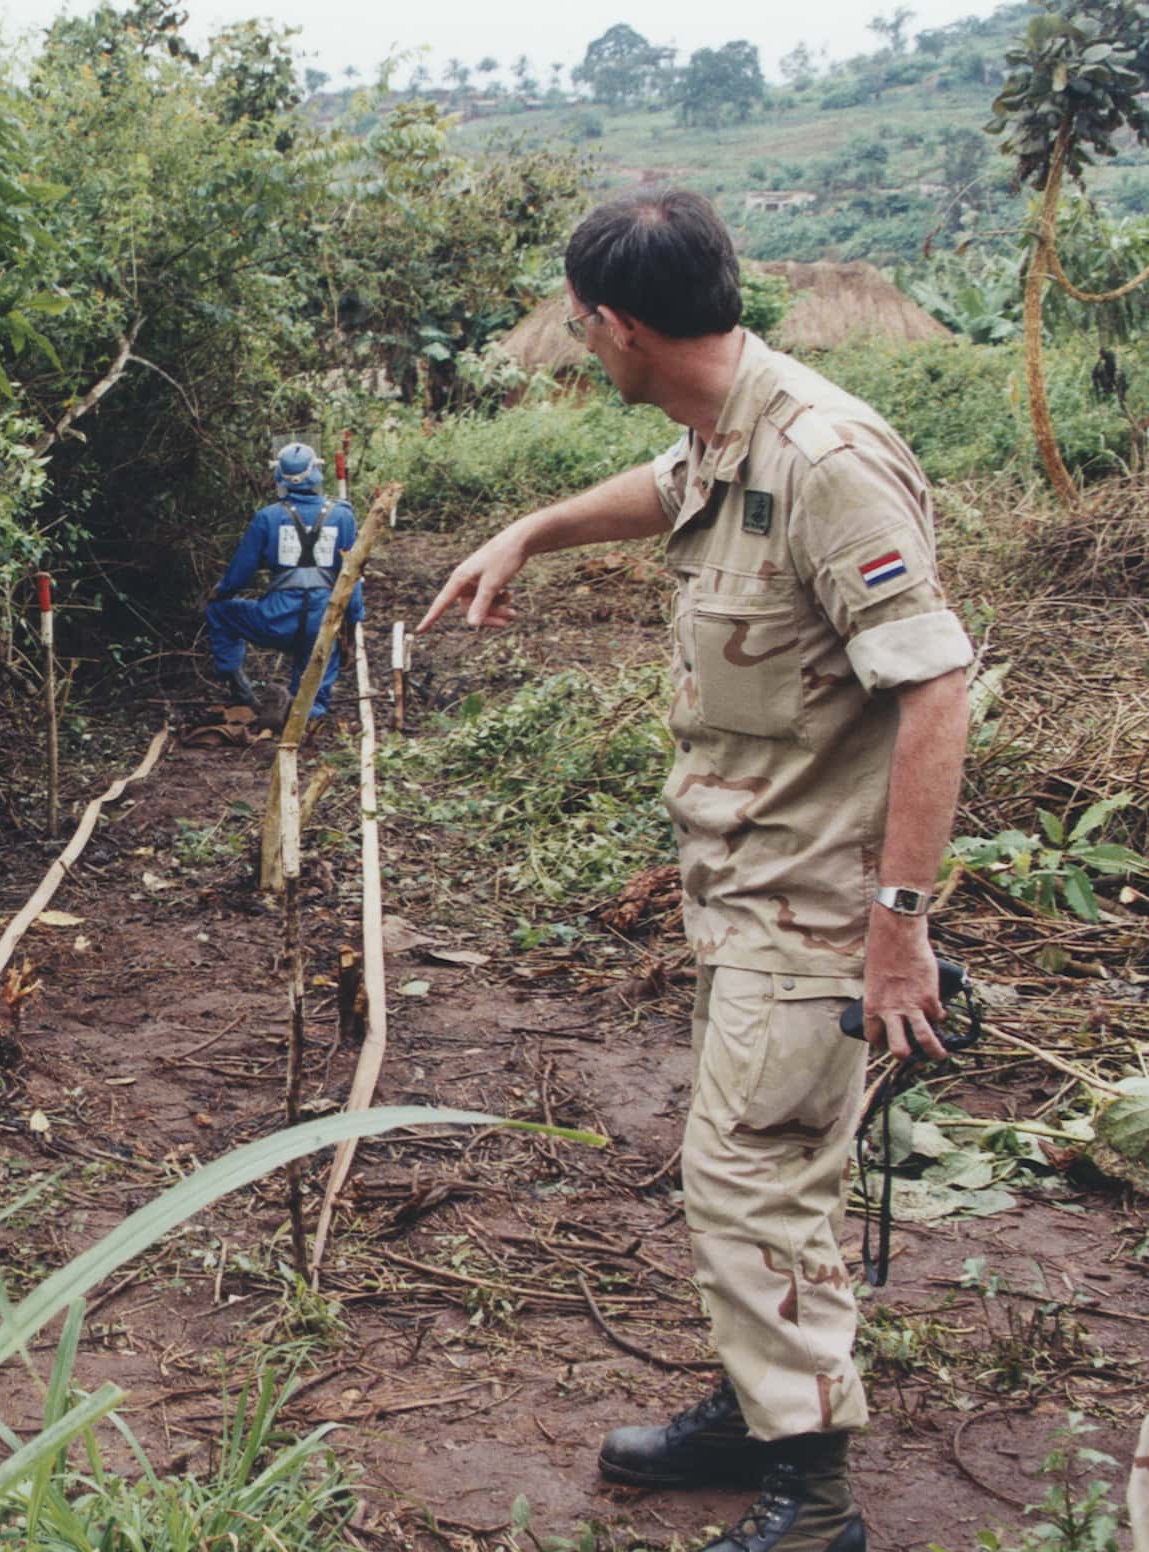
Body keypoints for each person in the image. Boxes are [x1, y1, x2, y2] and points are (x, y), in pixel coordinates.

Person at [421, 191, 974, 1552]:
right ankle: (752, 1404)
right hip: (741, 893)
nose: (578, 349)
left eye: (577, 328)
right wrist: (528, 532)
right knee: (748, 1166)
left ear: (614, 326)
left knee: (749, 1179)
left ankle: (809, 1496)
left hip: (815, 906)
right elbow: (663, 491)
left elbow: (936, 689)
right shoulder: (722, 434)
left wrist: (894, 928)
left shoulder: (824, 456)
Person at [204, 442, 366, 719]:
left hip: (275, 620)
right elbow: (351, 579)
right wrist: (350, 629)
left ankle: (238, 686)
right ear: (316, 471)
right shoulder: (342, 516)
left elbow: (240, 574)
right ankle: (303, 713)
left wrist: (220, 592)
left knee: (220, 613)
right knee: (316, 666)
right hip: (322, 622)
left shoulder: (267, 517)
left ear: (279, 477)